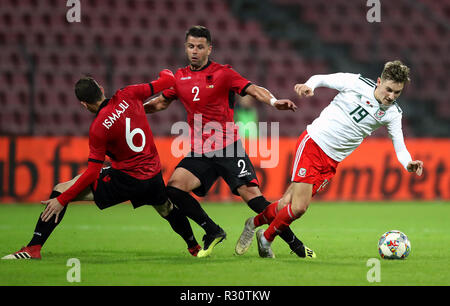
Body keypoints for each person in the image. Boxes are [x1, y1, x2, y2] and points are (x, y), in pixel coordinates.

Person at [144, 25, 308, 258]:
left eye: (200, 47)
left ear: (209, 49)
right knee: (174, 188)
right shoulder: (179, 78)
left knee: (255, 200)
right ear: (185, 47)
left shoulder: (223, 73)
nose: (195, 51)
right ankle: (212, 230)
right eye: (191, 46)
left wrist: (273, 102)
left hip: (228, 149)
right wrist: (133, 110)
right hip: (200, 151)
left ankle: (295, 244)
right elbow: (159, 103)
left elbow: (254, 90)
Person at [2, 71, 202, 260]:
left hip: (126, 180)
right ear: (102, 89)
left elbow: (92, 172)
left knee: (60, 189)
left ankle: (33, 248)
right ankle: (194, 247)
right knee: (166, 209)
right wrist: (165, 72)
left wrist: (62, 199)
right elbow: (168, 80)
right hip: (153, 175)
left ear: (84, 104)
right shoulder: (129, 93)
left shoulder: (98, 128)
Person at [236, 60, 424, 258]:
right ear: (379, 82)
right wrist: (310, 85)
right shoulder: (356, 83)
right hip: (314, 143)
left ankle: (253, 223)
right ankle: (265, 239)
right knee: (299, 207)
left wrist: (408, 163)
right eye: (389, 90)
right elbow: (322, 78)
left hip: (332, 161)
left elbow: (399, 145)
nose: (391, 96)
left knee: (286, 204)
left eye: (397, 93)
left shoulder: (393, 113)